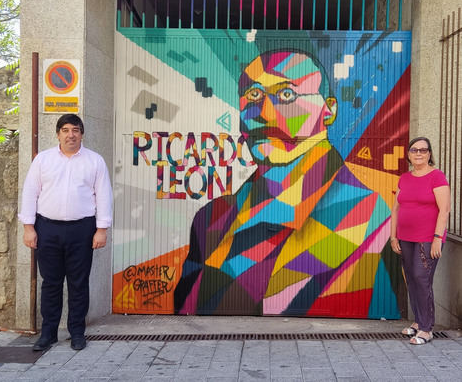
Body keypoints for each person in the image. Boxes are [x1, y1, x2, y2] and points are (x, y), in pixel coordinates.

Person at [174, 50, 399, 317]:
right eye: (254, 95)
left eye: (287, 95)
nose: (264, 113)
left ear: (328, 110)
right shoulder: (210, 220)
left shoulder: (368, 220)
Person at [19, 114, 113, 351]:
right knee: (50, 283)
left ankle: (77, 332)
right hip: (47, 228)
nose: (70, 134)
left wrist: (101, 230)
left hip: (82, 229)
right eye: (65, 130)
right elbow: (30, 192)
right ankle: (48, 333)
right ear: (58, 133)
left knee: (78, 283)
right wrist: (28, 228)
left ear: (82, 133)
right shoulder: (43, 160)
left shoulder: (95, 161)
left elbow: (104, 196)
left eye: (75, 130)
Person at [390, 137, 450, 345]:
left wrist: (437, 238)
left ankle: (426, 328)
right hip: (405, 237)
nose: (418, 153)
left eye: (423, 150)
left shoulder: (437, 177)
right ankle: (418, 321)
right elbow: (396, 209)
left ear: (429, 154)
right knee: (411, 278)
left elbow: (444, 210)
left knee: (421, 278)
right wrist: (393, 235)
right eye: (414, 150)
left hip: (428, 239)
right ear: (408, 154)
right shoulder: (404, 178)